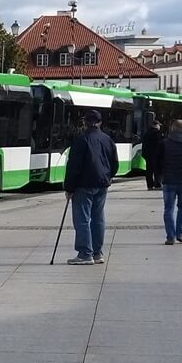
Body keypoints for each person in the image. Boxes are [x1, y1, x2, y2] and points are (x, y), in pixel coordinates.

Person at [63, 108, 118, 265]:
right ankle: (97, 252)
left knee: (82, 219)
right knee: (98, 218)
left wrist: (69, 187)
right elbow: (115, 163)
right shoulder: (108, 140)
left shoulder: (81, 140)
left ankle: (84, 253)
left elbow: (74, 166)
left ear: (84, 122)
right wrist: (109, 176)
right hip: (102, 184)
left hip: (83, 184)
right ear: (100, 122)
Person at [141, 121, 165, 190]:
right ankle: (157, 184)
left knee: (149, 171)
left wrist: (144, 155)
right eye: (159, 125)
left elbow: (144, 146)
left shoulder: (146, 133)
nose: (159, 126)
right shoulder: (158, 134)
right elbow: (161, 145)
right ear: (156, 125)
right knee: (157, 170)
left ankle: (149, 185)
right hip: (157, 155)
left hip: (148, 156)